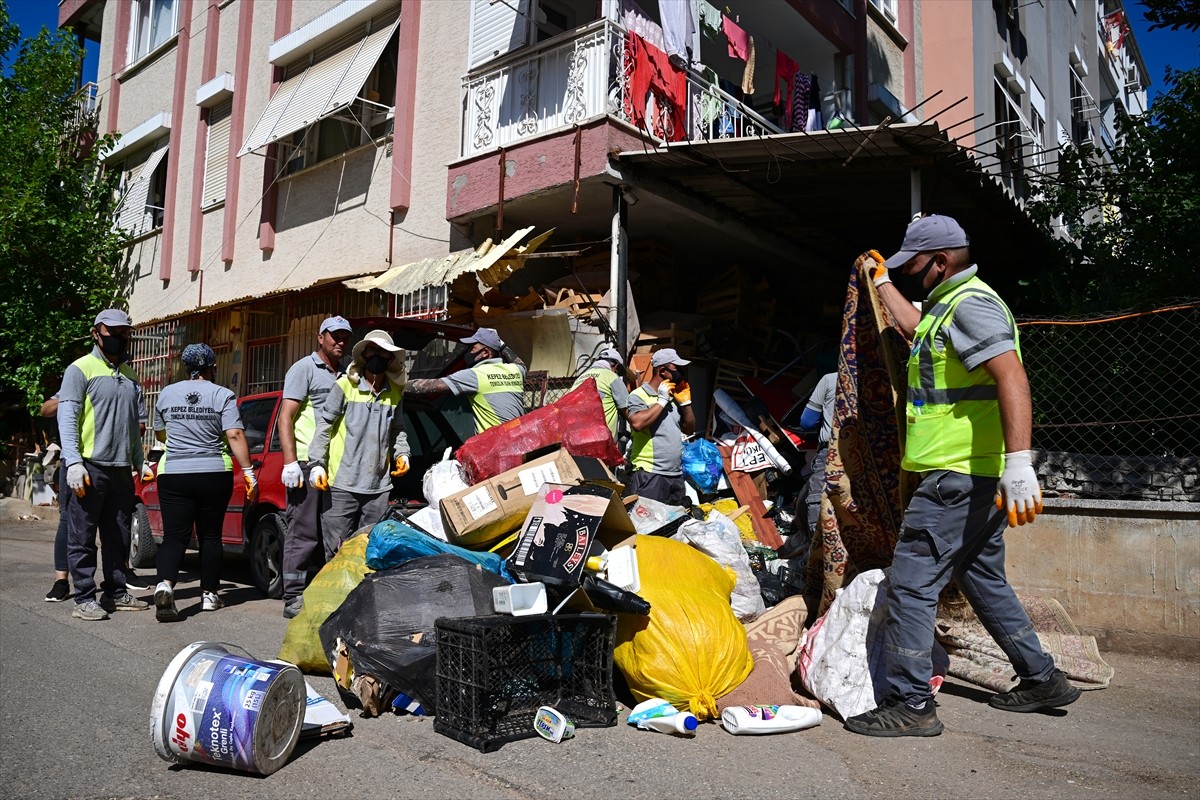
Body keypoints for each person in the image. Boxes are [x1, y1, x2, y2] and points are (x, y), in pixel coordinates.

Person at [845, 214, 1078, 737]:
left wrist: (1021, 463)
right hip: (969, 476)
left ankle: (911, 704)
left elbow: (1010, 374)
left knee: (910, 585)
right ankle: (1041, 678)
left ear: (942, 261)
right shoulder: (947, 306)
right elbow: (910, 326)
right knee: (981, 578)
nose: (909, 275)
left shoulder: (972, 304)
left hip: (956, 476)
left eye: (914, 267)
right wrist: (880, 281)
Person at [57, 309, 153, 621]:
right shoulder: (79, 369)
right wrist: (73, 462)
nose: (120, 337)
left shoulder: (130, 375)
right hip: (89, 467)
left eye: (125, 332)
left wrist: (140, 461)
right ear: (96, 333)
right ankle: (84, 597)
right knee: (83, 535)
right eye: (112, 332)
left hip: (121, 469)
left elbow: (133, 427)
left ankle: (115, 591)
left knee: (119, 535)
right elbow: (67, 417)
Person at [307, 330, 410, 560]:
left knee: (370, 552)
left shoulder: (394, 393)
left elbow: (398, 430)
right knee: (337, 552)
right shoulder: (345, 386)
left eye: (383, 352)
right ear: (363, 354)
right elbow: (325, 424)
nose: (377, 356)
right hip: (342, 484)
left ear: (391, 358)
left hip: (378, 487)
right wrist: (317, 464)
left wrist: (402, 453)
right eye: (372, 350)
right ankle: (336, 597)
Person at [277, 315, 350, 619]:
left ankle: (327, 592)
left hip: (339, 466)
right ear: (320, 337)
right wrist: (291, 462)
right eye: (334, 336)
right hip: (308, 464)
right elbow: (286, 417)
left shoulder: (349, 373)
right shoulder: (304, 369)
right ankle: (293, 595)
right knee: (303, 530)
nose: (340, 342)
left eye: (345, 336)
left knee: (335, 533)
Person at [406, 327, 526, 435]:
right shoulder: (516, 371)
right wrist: (502, 345)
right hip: (520, 441)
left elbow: (429, 386)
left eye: (472, 348)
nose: (469, 353)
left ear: (485, 353)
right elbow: (520, 363)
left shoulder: (475, 375)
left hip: (494, 447)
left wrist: (396, 385)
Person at [777, 370, 836, 560]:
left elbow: (807, 422)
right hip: (868, 458)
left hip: (831, 453)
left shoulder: (829, 379)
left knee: (817, 509)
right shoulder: (883, 380)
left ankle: (813, 566)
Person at [625, 348, 696, 505]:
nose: (680, 372)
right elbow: (637, 423)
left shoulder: (675, 396)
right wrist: (661, 401)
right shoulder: (638, 395)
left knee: (675, 525)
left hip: (675, 474)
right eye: (676, 368)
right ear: (663, 371)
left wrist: (686, 404)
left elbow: (689, 429)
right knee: (649, 526)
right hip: (650, 475)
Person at [571, 346, 631, 440]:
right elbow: (628, 411)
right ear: (616, 366)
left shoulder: (580, 379)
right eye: (618, 371)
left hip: (578, 440)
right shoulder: (611, 376)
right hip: (601, 443)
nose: (617, 373)